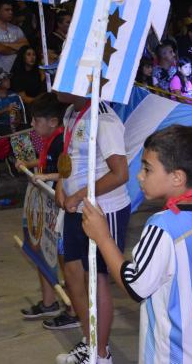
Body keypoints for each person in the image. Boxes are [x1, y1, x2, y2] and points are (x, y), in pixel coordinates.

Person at [82, 125, 192, 364]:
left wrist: (103, 238)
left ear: (177, 177)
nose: (140, 176)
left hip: (172, 355)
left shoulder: (162, 225)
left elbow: (135, 285)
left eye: (147, 169)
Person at [55, 92, 129, 364]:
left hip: (102, 210)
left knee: (96, 280)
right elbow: (70, 156)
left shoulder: (104, 118)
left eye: (60, 79)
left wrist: (80, 194)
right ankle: (90, 342)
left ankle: (101, 353)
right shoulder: (72, 112)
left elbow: (120, 174)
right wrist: (62, 186)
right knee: (73, 271)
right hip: (77, 206)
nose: (54, 86)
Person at [13, 93, 80, 331]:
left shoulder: (63, 140)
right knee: (41, 250)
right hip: (45, 207)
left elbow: (67, 172)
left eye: (35, 120)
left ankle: (74, 310)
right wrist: (29, 165)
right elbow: (47, 164)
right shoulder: (50, 139)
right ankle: (49, 303)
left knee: (64, 259)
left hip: (60, 207)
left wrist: (45, 177)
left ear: (53, 121)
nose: (32, 125)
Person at [0, 0, 29, 74]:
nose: (11, 12)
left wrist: (6, 44)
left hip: (17, 72)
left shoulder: (16, 28)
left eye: (11, 10)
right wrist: (18, 47)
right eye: (7, 10)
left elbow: (26, 45)